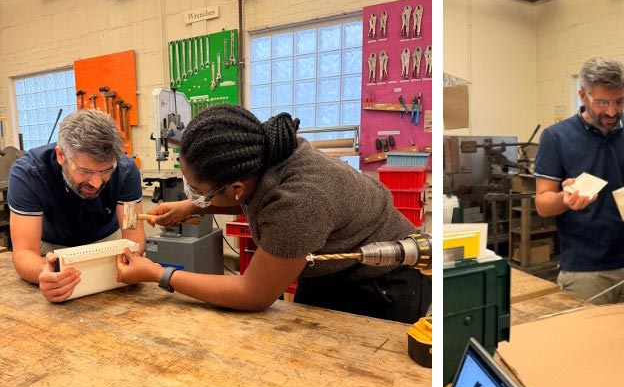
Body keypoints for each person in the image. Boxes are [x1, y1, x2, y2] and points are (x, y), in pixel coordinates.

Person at [114, 104, 430, 324]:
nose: (193, 194)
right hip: (327, 262)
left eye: (198, 189)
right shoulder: (264, 151)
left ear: (234, 187)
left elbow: (253, 294)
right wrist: (192, 205)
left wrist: (159, 273)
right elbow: (256, 194)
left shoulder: (300, 202)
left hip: (380, 284)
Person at [534, 56, 624, 318]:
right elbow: (542, 204)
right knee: (588, 349)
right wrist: (564, 199)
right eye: (602, 102)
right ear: (583, 95)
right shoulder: (556, 137)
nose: (612, 111)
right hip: (585, 269)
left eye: (618, 102)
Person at [8, 109, 145, 302]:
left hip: (107, 245)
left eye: (106, 171)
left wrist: (132, 258)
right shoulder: (28, 174)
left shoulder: (125, 170)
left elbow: (133, 235)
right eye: (85, 171)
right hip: (51, 250)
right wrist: (47, 274)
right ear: (61, 155)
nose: (97, 183)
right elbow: (24, 252)